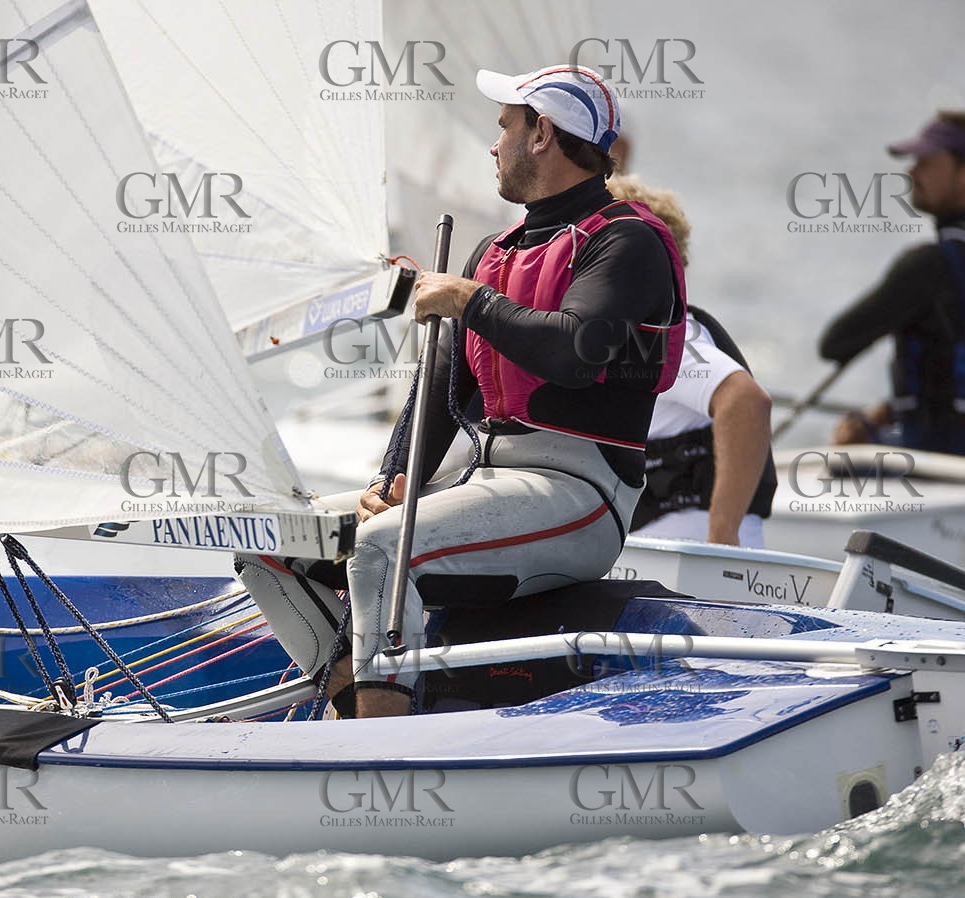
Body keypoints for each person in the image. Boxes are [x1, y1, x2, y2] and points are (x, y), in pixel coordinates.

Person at [234, 65, 686, 718]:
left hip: (583, 496)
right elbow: (442, 382)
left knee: (381, 547)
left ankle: (376, 760)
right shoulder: (494, 251)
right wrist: (395, 476)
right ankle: (354, 709)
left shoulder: (628, 241)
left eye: (504, 125)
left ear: (542, 133)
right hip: (488, 481)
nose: (493, 143)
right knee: (272, 539)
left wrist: (473, 300)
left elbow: (572, 353)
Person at [821, 111, 965, 462]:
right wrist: (885, 411)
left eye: (928, 161)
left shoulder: (929, 265)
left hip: (942, 465)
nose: (912, 172)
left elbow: (836, 343)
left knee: (835, 461)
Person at [605, 175, 776, 547]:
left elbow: (746, 402)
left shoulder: (664, 338)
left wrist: (722, 536)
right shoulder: (630, 334)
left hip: (691, 560)